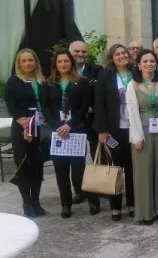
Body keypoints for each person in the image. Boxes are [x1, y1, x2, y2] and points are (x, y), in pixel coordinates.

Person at [42, 50, 93, 218]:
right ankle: (66, 203)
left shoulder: (82, 82)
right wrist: (58, 126)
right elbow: (46, 108)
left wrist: (70, 124)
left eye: (66, 61)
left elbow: (84, 106)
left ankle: (88, 197)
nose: (63, 64)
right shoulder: (48, 83)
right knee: (61, 170)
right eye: (59, 62)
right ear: (55, 65)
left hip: (76, 129)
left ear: (71, 63)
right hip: (57, 132)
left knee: (79, 170)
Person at [126, 49, 158, 225]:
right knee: (143, 171)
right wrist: (136, 136)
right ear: (138, 65)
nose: (149, 64)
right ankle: (145, 212)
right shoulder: (132, 85)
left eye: (152, 61)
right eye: (145, 61)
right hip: (142, 131)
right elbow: (132, 112)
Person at [95, 44, 136, 221]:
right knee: (115, 170)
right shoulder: (105, 76)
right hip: (114, 130)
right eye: (117, 54)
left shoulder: (136, 72)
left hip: (134, 129)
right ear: (112, 58)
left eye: (124, 53)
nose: (121, 56)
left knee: (132, 169)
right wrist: (102, 130)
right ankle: (116, 207)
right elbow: (99, 104)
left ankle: (133, 204)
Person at [5, 49, 47, 218]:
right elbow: (11, 105)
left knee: (37, 166)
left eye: (31, 60)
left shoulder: (42, 81)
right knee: (23, 165)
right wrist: (25, 125)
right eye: (24, 61)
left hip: (39, 128)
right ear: (19, 64)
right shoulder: (13, 82)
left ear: (36, 62)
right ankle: (27, 202)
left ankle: (36, 200)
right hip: (21, 127)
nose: (28, 63)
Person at [68, 39, 102, 214]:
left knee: (97, 156)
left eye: (83, 51)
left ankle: (98, 188)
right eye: (77, 51)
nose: (80, 54)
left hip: (93, 120)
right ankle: (80, 190)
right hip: (75, 122)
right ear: (70, 52)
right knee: (77, 158)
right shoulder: (63, 70)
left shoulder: (96, 70)